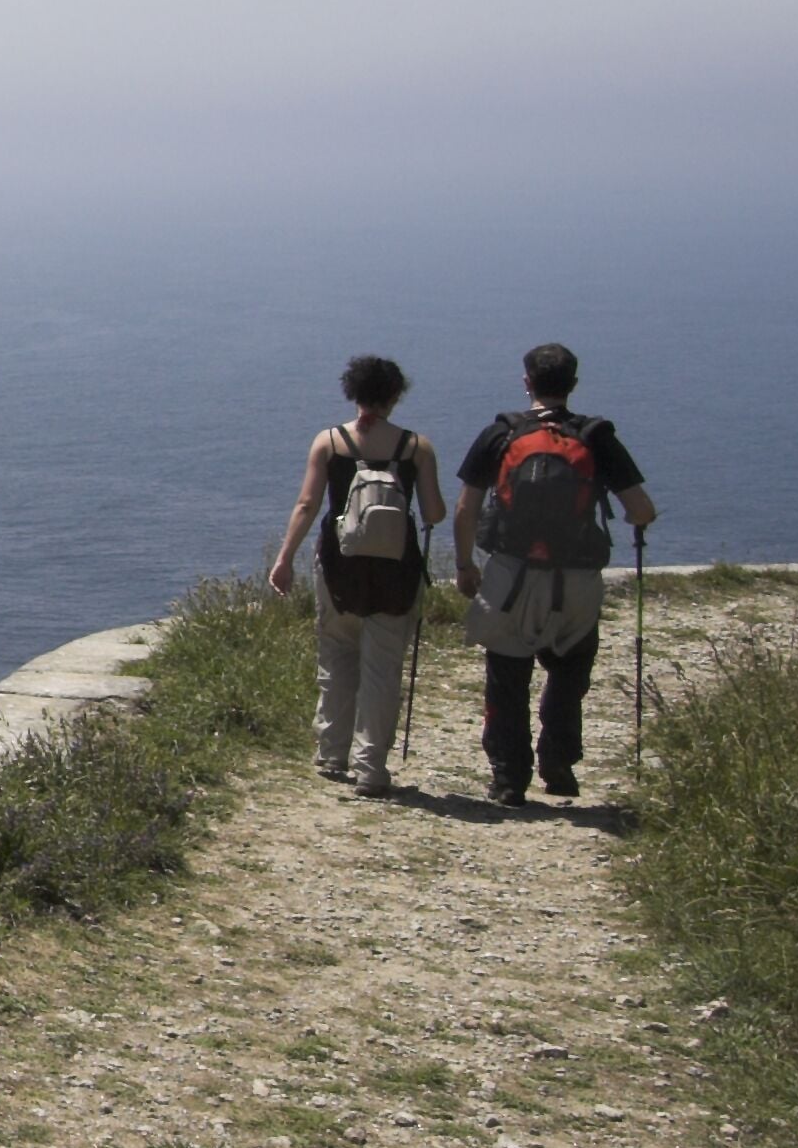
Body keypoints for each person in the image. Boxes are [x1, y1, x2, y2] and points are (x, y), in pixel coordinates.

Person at [454, 342, 657, 803]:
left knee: (507, 677)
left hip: (510, 573)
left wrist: (466, 566)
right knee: (568, 675)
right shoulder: (595, 436)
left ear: (527, 383)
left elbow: (466, 510)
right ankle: (559, 764)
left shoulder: (500, 434)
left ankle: (509, 778)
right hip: (577, 579)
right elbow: (640, 509)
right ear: (573, 385)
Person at [270, 354, 444, 794]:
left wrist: (284, 558)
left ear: (352, 392)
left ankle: (332, 752)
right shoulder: (416, 448)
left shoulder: (329, 443)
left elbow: (307, 505)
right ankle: (371, 768)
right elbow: (435, 513)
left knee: (337, 653)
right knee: (382, 667)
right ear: (395, 395)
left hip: (338, 565)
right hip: (395, 572)